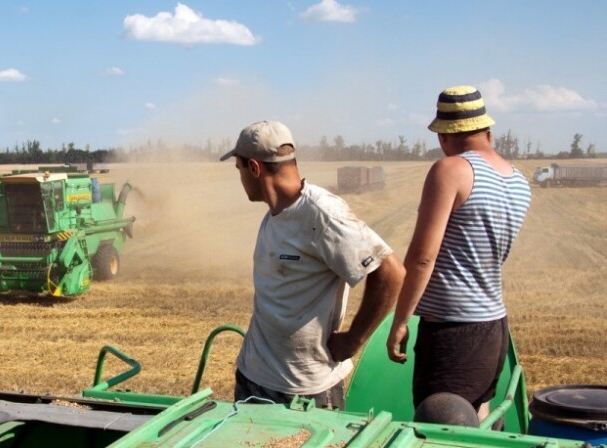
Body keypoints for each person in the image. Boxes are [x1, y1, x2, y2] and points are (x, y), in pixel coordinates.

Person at [221, 120, 404, 409]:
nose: (240, 177)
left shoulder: (322, 214)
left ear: (254, 168)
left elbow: (390, 272)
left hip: (304, 392)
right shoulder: (274, 216)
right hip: (253, 379)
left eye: (239, 169)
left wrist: (354, 339)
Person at [386, 85, 532, 421]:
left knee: (440, 430)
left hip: (453, 332)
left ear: (444, 136)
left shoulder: (450, 169)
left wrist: (400, 320)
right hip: (493, 327)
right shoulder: (517, 180)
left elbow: (423, 256)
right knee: (475, 420)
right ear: (488, 132)